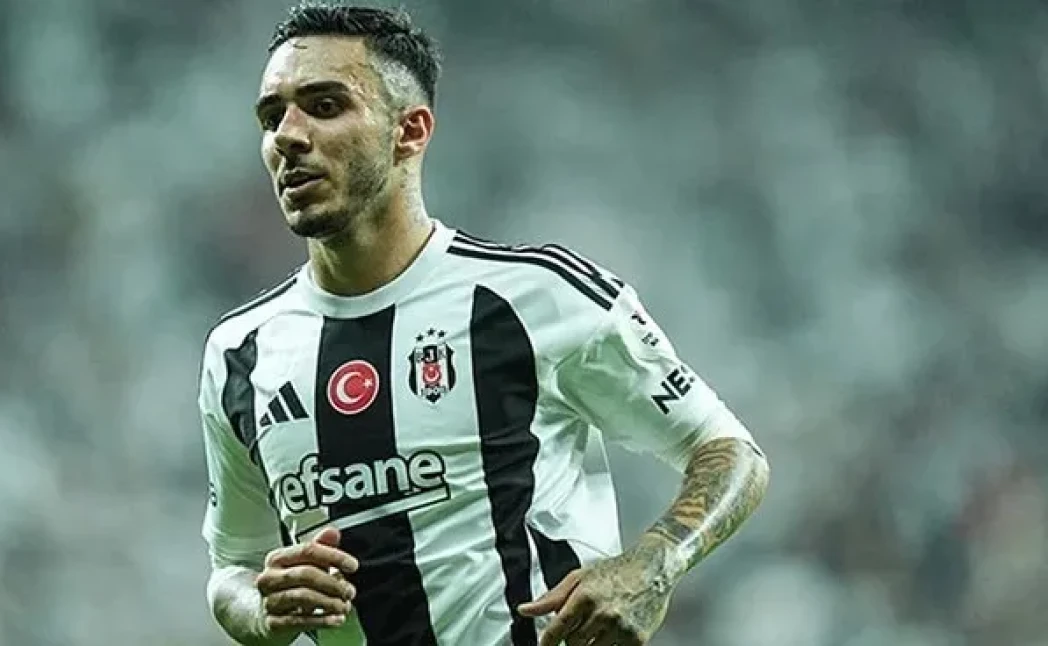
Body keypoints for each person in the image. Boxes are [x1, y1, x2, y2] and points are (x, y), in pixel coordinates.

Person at [199, 4, 771, 646]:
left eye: (325, 106)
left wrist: (652, 565)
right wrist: (261, 608)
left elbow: (730, 453)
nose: (287, 136)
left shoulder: (535, 296)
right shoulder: (239, 353)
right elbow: (232, 566)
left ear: (410, 131)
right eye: (272, 116)